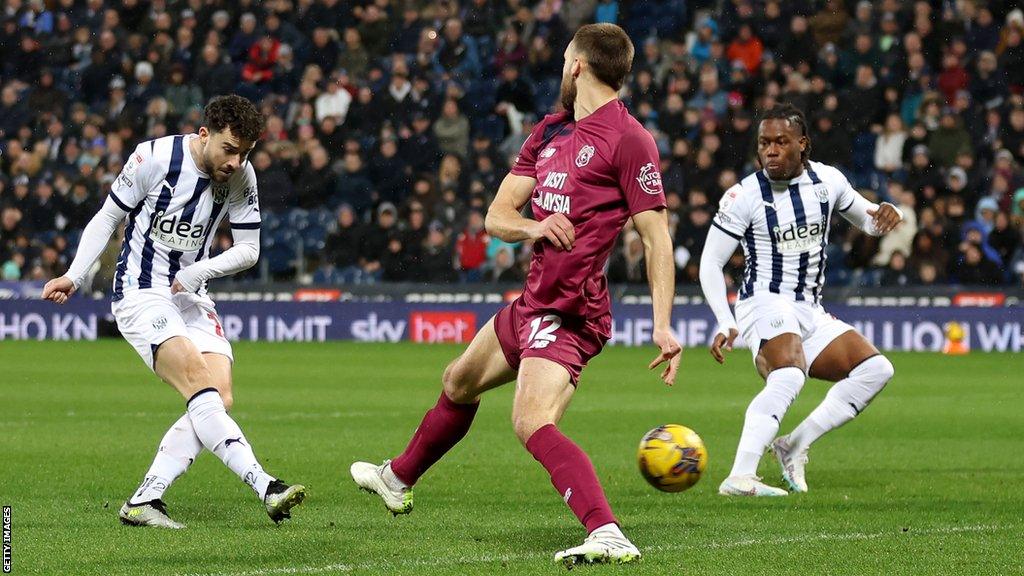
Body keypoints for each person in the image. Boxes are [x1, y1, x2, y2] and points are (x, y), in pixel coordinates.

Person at [350, 24, 680, 566]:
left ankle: (607, 532)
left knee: (531, 420)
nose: (560, 70)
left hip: (571, 310)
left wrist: (662, 323)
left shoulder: (629, 138)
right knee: (458, 381)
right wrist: (534, 227)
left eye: (564, 61)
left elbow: (655, 236)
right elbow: (497, 217)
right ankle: (397, 477)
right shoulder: (548, 132)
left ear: (577, 66)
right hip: (531, 302)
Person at [41, 95, 305, 528]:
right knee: (199, 383)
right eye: (230, 150)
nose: (237, 162)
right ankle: (266, 486)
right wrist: (74, 274)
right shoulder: (153, 157)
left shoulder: (241, 176)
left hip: (191, 295)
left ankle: (146, 499)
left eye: (246, 153)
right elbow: (107, 218)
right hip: (140, 290)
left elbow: (250, 250)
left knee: (218, 397)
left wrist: (199, 270)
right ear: (205, 135)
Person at [699, 103, 902, 497]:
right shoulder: (744, 195)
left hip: (809, 309)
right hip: (763, 301)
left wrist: (885, 215)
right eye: (764, 143)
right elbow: (711, 261)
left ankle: (794, 444)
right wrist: (724, 320)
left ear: (802, 144)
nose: (770, 151)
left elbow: (870, 222)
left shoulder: (828, 181)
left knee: (877, 370)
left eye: (780, 142)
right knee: (789, 375)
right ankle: (740, 476)